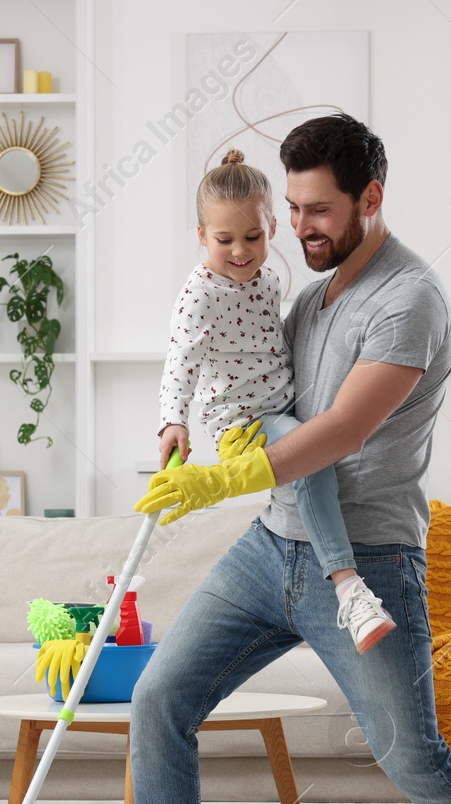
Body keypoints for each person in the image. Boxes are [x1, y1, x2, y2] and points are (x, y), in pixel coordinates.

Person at [87, 114, 451, 804]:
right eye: (294, 208)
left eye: (316, 210)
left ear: (369, 199)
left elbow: (343, 431)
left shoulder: (408, 301)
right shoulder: (310, 294)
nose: (298, 229)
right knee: (160, 698)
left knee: (411, 755)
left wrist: (224, 480)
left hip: (369, 562)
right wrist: (188, 425)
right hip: (270, 546)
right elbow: (247, 381)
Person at [155, 148, 394, 652]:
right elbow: (181, 359)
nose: (240, 251)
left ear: (272, 229)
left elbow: (271, 343)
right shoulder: (199, 293)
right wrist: (171, 423)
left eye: (253, 236)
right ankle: (348, 588)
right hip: (243, 426)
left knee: (320, 447)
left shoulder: (266, 280)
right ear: (201, 236)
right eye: (224, 240)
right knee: (312, 460)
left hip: (282, 408)